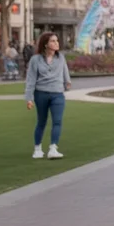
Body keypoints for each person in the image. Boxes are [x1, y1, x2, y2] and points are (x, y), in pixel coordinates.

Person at [24, 32, 72, 160]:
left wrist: (68, 82)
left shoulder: (60, 57)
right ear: (46, 44)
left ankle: (53, 148)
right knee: (41, 121)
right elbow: (31, 79)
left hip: (57, 93)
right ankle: (38, 148)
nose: (57, 43)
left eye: (57, 40)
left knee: (57, 121)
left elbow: (65, 71)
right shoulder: (35, 60)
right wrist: (29, 98)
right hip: (41, 93)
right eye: (53, 41)